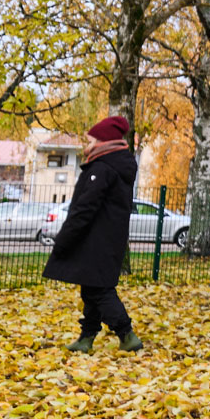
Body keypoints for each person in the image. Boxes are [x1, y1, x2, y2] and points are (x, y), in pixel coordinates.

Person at [43, 115, 144, 352]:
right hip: (106, 239)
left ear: (104, 141)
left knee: (99, 290)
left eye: (93, 139)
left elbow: (84, 209)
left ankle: (127, 335)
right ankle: (86, 338)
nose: (88, 143)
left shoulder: (102, 168)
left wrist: (64, 240)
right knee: (92, 288)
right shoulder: (114, 165)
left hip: (96, 240)